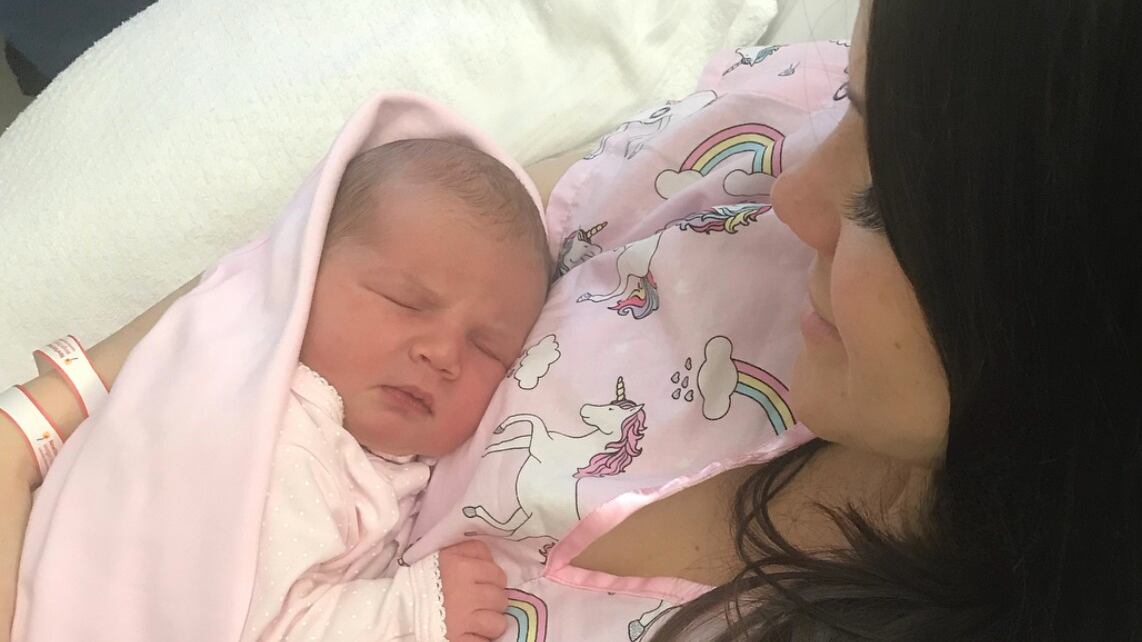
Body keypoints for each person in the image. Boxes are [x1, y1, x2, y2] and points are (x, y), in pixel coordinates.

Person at [3, 0, 1141, 639]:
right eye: (853, 99)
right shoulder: (757, 141)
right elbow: (367, 247)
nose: (792, 195)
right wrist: (39, 425)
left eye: (883, 204)